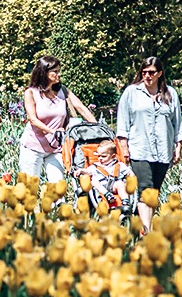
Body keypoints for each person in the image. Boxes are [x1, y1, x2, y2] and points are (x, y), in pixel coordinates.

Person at [116, 56, 182, 232]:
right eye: (144, 72)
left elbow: (177, 123)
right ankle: (147, 232)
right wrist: (124, 148)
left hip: (163, 150)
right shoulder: (131, 93)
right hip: (139, 149)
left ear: (160, 73)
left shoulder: (170, 94)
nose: (147, 76)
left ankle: (136, 229)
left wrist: (178, 146)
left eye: (152, 72)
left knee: (153, 193)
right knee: (145, 189)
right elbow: (122, 123)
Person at [19, 55, 96, 184]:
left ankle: (59, 205)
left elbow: (81, 108)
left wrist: (98, 127)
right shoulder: (31, 92)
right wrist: (53, 131)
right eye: (55, 72)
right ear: (44, 72)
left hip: (56, 148)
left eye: (59, 71)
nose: (59, 74)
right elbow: (33, 119)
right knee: (29, 188)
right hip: (33, 147)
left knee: (58, 187)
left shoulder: (63, 91)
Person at [74, 139, 134, 212]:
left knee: (120, 184)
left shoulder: (119, 165)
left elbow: (130, 173)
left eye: (103, 156)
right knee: (93, 181)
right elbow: (87, 171)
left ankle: (125, 201)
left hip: (113, 185)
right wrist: (81, 170)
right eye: (98, 156)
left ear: (113, 156)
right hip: (101, 188)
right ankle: (107, 195)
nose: (100, 159)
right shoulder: (96, 166)